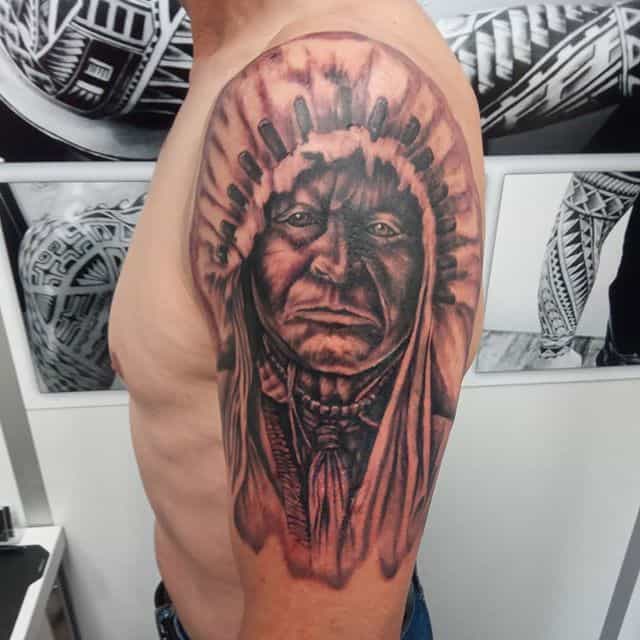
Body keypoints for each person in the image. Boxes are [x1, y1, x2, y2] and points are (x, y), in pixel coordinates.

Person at [109, 1, 484, 639]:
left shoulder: (342, 75)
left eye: (380, 229)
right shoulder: (228, 53)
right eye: (302, 220)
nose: (335, 264)